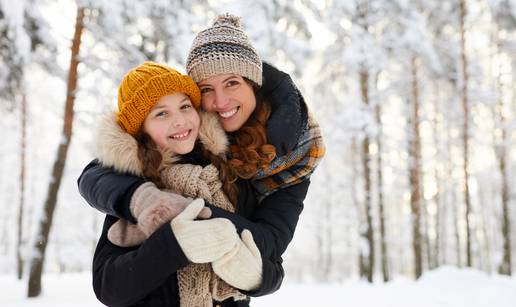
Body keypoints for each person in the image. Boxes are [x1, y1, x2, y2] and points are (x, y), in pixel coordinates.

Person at [79, 13, 325, 306]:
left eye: (232, 82)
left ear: (253, 84)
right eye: (206, 89)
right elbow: (99, 175)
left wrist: (252, 273)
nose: (220, 102)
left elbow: (270, 253)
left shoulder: (250, 171)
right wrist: (153, 212)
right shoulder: (157, 170)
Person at [92, 61, 282, 307]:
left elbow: (274, 269)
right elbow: (109, 287)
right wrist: (173, 245)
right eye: (161, 113)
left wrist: (254, 275)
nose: (180, 120)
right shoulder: (137, 187)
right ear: (142, 129)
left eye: (184, 106)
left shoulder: (227, 176)